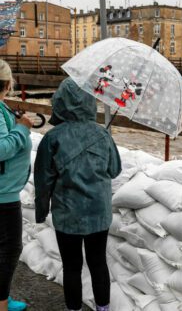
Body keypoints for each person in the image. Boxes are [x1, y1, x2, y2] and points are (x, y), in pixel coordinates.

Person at [34, 78, 121, 311]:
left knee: (71, 266)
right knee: (98, 262)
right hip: (98, 213)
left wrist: (41, 212)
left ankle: (73, 309)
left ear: (60, 103)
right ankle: (103, 308)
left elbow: (43, 181)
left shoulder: (53, 137)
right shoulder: (103, 135)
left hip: (68, 214)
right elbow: (115, 170)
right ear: (90, 103)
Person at [0, 59, 33, 311]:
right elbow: (1, 149)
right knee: (10, 249)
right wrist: (21, 129)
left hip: (4, 190)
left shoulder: (2, 109)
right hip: (3, 195)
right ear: (8, 84)